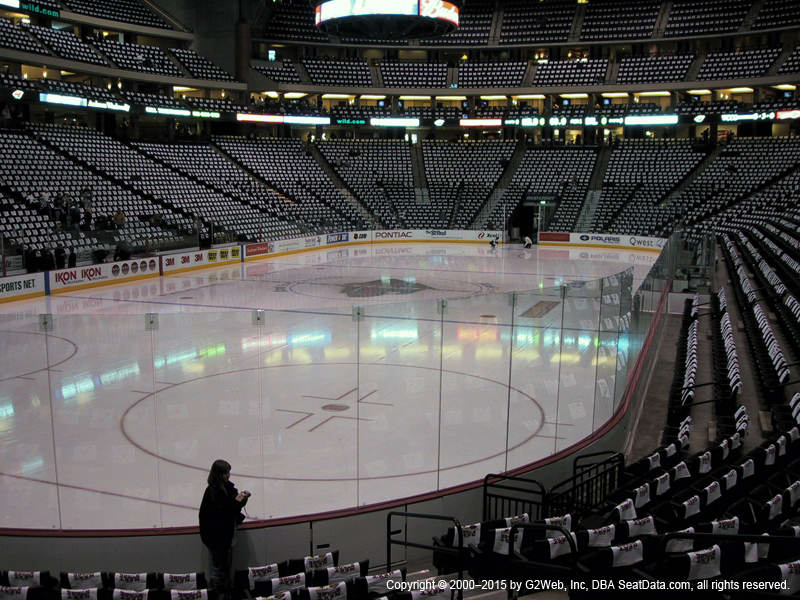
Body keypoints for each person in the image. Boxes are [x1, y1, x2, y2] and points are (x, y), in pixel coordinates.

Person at [199, 460, 250, 599]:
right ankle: (220, 593)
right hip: (218, 540)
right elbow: (228, 509)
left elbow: (231, 506)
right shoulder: (213, 493)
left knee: (226, 566)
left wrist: (241, 499)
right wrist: (240, 501)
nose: (229, 475)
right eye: (226, 473)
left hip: (226, 537)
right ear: (219, 474)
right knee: (220, 568)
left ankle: (225, 591)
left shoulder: (226, 488)